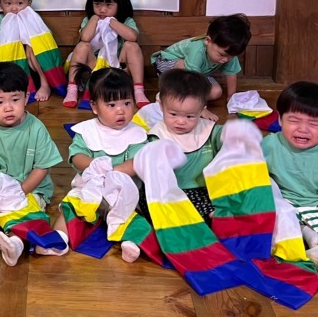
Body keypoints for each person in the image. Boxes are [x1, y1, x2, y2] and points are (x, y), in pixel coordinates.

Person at [0, 62, 63, 266]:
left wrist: (20, 191)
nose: (9, 107)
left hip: (30, 189)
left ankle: (16, 243)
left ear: (26, 97)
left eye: (15, 99)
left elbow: (42, 167)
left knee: (27, 212)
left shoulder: (36, 128)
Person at [64, 67, 148, 261]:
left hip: (123, 194)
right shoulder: (87, 131)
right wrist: (94, 166)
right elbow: (76, 156)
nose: (121, 110)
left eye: (127, 103)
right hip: (90, 190)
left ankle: (130, 243)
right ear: (94, 106)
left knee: (135, 216)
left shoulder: (137, 133)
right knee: (69, 208)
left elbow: (138, 161)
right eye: (111, 104)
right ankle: (58, 237)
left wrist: (114, 172)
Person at [262, 81, 318, 277]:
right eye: (294, 120)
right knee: (272, 221)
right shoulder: (269, 145)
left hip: (317, 205)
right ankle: (308, 235)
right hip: (283, 204)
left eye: (314, 124)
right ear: (280, 119)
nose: (303, 129)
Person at [63, 0, 149, 108]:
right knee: (82, 46)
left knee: (132, 46)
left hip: (118, 68)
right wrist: (94, 19)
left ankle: (138, 90)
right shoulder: (89, 20)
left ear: (119, 4)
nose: (102, 9)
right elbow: (85, 37)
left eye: (108, 5)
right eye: (97, 4)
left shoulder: (125, 21)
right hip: (93, 68)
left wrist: (112, 22)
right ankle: (72, 89)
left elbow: (133, 37)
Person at [146, 69, 220, 220]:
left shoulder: (208, 129)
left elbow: (227, 138)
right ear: (162, 106)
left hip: (208, 188)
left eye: (190, 116)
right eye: (173, 114)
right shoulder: (157, 135)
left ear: (202, 110)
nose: (181, 121)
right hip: (173, 192)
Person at [0, 0, 61, 102]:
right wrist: (9, 35)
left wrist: (28, 41)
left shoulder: (32, 18)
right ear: (0, 3)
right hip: (9, 65)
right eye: (8, 3)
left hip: (33, 67)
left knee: (31, 47)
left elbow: (46, 41)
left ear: (29, 3)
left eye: (20, 3)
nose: (14, 8)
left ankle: (45, 84)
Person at [150, 14, 251, 105]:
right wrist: (201, 109)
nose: (225, 60)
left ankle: (178, 95)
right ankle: (169, 93)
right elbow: (192, 78)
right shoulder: (197, 50)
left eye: (231, 56)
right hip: (167, 63)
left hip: (197, 73)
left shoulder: (229, 53)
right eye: (221, 55)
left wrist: (231, 97)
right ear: (208, 41)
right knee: (183, 66)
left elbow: (231, 74)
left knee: (216, 92)